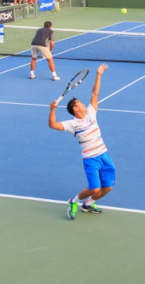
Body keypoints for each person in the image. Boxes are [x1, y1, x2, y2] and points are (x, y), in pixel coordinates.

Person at [48, 64, 114, 220]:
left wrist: (98, 75)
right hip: (91, 159)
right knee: (94, 188)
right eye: (80, 103)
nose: (84, 104)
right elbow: (53, 125)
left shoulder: (91, 112)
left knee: (107, 187)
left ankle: (88, 204)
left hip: (104, 155)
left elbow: (95, 93)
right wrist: (52, 109)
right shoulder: (72, 125)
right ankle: (74, 201)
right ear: (76, 109)